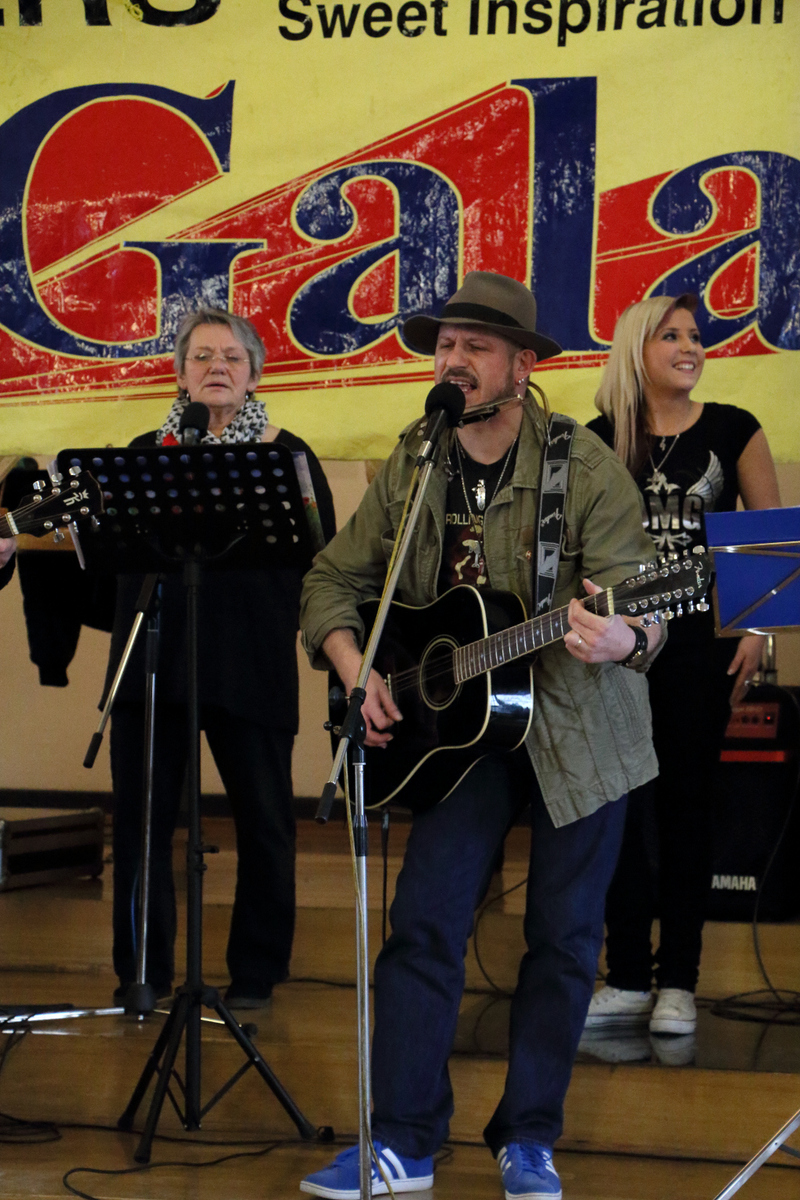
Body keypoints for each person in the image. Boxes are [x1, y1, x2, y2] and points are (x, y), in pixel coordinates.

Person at [298, 272, 665, 1200]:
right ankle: (405, 1143)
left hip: (583, 737)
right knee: (424, 923)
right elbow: (332, 580)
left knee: (564, 940)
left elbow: (648, 600)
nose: (452, 361)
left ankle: (529, 1138)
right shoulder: (418, 457)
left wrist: (627, 633)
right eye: (444, 345)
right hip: (460, 733)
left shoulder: (582, 468)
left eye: (475, 346)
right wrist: (359, 669)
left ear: (522, 365)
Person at [104, 307, 335, 1009]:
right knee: (143, 824)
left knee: (265, 822)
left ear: (255, 373)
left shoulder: (287, 454)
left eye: (232, 358)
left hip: (251, 664)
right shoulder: (145, 455)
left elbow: (321, 565)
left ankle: (256, 975)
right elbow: (104, 559)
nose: (216, 368)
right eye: (201, 357)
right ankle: (143, 973)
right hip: (155, 663)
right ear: (178, 373)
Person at [584, 293, 781, 1039]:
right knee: (623, 815)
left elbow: (766, 543)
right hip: (616, 652)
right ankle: (627, 975)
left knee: (687, 811)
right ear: (637, 350)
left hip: (702, 653)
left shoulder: (735, 430)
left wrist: (758, 632)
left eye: (696, 336)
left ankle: (681, 983)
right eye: (671, 335)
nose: (690, 347)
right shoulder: (599, 440)